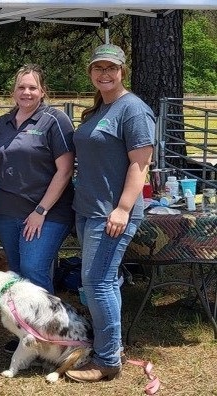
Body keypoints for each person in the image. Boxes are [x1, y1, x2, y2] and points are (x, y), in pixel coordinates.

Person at [65, 44, 155, 382]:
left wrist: (122, 208)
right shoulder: (98, 110)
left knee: (97, 282)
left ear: (122, 71)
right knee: (104, 283)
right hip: (88, 210)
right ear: (91, 73)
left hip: (111, 214)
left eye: (111, 68)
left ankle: (106, 362)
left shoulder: (132, 110)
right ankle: (111, 347)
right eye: (98, 68)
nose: (105, 73)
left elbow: (140, 163)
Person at [0, 64, 76, 354]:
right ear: (13, 92)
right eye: (21, 87)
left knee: (34, 269)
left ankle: (47, 340)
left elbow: (64, 171)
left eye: (32, 87)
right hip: (6, 212)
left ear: (43, 92)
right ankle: (26, 334)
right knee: (18, 276)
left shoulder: (55, 120)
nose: (26, 92)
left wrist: (40, 211)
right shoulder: (1, 123)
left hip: (46, 213)